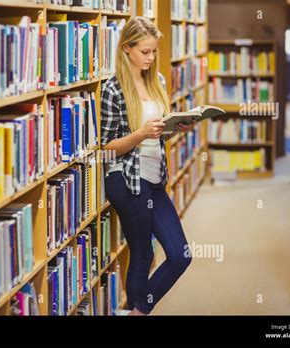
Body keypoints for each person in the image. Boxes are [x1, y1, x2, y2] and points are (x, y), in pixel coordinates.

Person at [100, 16, 195, 316]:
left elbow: (158, 132)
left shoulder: (158, 81)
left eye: (154, 51)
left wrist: (175, 127)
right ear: (126, 48)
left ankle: (136, 312)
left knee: (180, 255)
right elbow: (107, 149)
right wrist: (141, 133)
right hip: (127, 180)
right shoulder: (112, 89)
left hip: (155, 178)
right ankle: (140, 312)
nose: (151, 58)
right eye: (145, 51)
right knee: (142, 254)